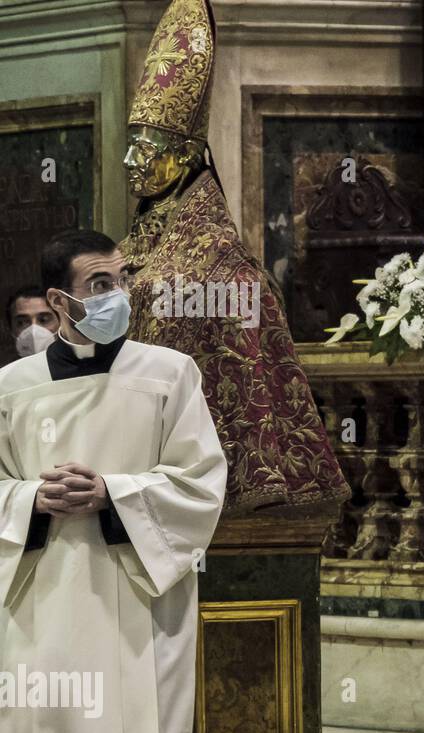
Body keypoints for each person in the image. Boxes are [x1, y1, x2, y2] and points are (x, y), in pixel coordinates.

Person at [0, 229, 227, 733]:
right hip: (39, 609)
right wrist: (29, 502)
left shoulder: (168, 373)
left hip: (136, 609)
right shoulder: (11, 386)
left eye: (121, 281)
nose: (117, 296)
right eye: (99, 285)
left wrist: (114, 493)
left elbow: (201, 483)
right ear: (59, 299)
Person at [120, 0, 347, 514]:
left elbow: (242, 380)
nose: (131, 161)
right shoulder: (125, 255)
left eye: (146, 148)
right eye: (129, 145)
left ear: (183, 157)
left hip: (204, 484)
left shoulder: (225, 272)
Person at [6, 286, 58, 359]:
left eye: (43, 320)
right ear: (11, 330)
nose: (34, 331)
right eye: (22, 322)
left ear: (61, 324)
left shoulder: (77, 368)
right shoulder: (6, 370)